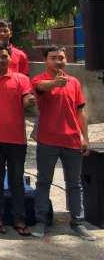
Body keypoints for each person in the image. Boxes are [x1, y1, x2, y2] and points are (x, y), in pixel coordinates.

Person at [30, 46, 95, 241]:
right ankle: (41, 221)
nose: (58, 61)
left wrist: (85, 137)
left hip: (72, 140)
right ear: (45, 60)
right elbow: (41, 88)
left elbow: (80, 112)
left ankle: (77, 222)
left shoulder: (74, 82)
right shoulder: (39, 80)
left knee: (74, 184)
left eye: (61, 57)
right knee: (43, 182)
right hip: (47, 140)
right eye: (53, 58)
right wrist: (54, 83)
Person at [0, 41, 35, 236]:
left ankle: (19, 218)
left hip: (17, 138)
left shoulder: (22, 79)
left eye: (4, 56)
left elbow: (27, 99)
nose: (1, 60)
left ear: (10, 58)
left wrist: (29, 101)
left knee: (16, 180)